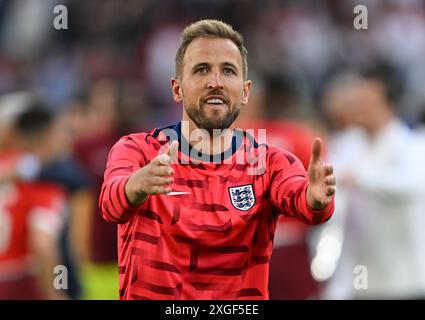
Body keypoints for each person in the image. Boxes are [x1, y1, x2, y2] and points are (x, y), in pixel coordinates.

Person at [99, 19, 336, 300]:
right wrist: (135, 185)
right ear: (177, 88)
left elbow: (304, 203)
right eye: (201, 70)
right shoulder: (137, 149)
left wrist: (317, 198)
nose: (215, 82)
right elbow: (110, 205)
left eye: (228, 71)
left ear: (245, 91)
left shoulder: (269, 161)